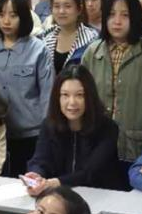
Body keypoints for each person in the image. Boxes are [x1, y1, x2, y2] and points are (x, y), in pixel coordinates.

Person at [82, 0, 142, 162]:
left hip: (136, 147)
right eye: (111, 14)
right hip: (95, 144)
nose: (117, 21)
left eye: (125, 15)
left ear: (135, 18)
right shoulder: (92, 52)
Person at [0, 0, 54, 176]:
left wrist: (46, 132)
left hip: (32, 134)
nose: (6, 21)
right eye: (1, 14)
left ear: (23, 17)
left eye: (13, 15)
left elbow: (48, 95)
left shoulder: (38, 49)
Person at [24, 64, 124, 193]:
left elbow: (90, 172)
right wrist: (36, 175)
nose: (72, 102)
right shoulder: (49, 125)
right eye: (65, 95)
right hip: (60, 195)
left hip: (101, 194)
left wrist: (56, 182)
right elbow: (40, 160)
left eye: (79, 95)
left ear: (90, 97)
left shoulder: (108, 128)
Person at [39, 0, 100, 75]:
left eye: (67, 6)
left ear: (79, 9)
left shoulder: (92, 39)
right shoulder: (45, 38)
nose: (61, 11)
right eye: (57, 6)